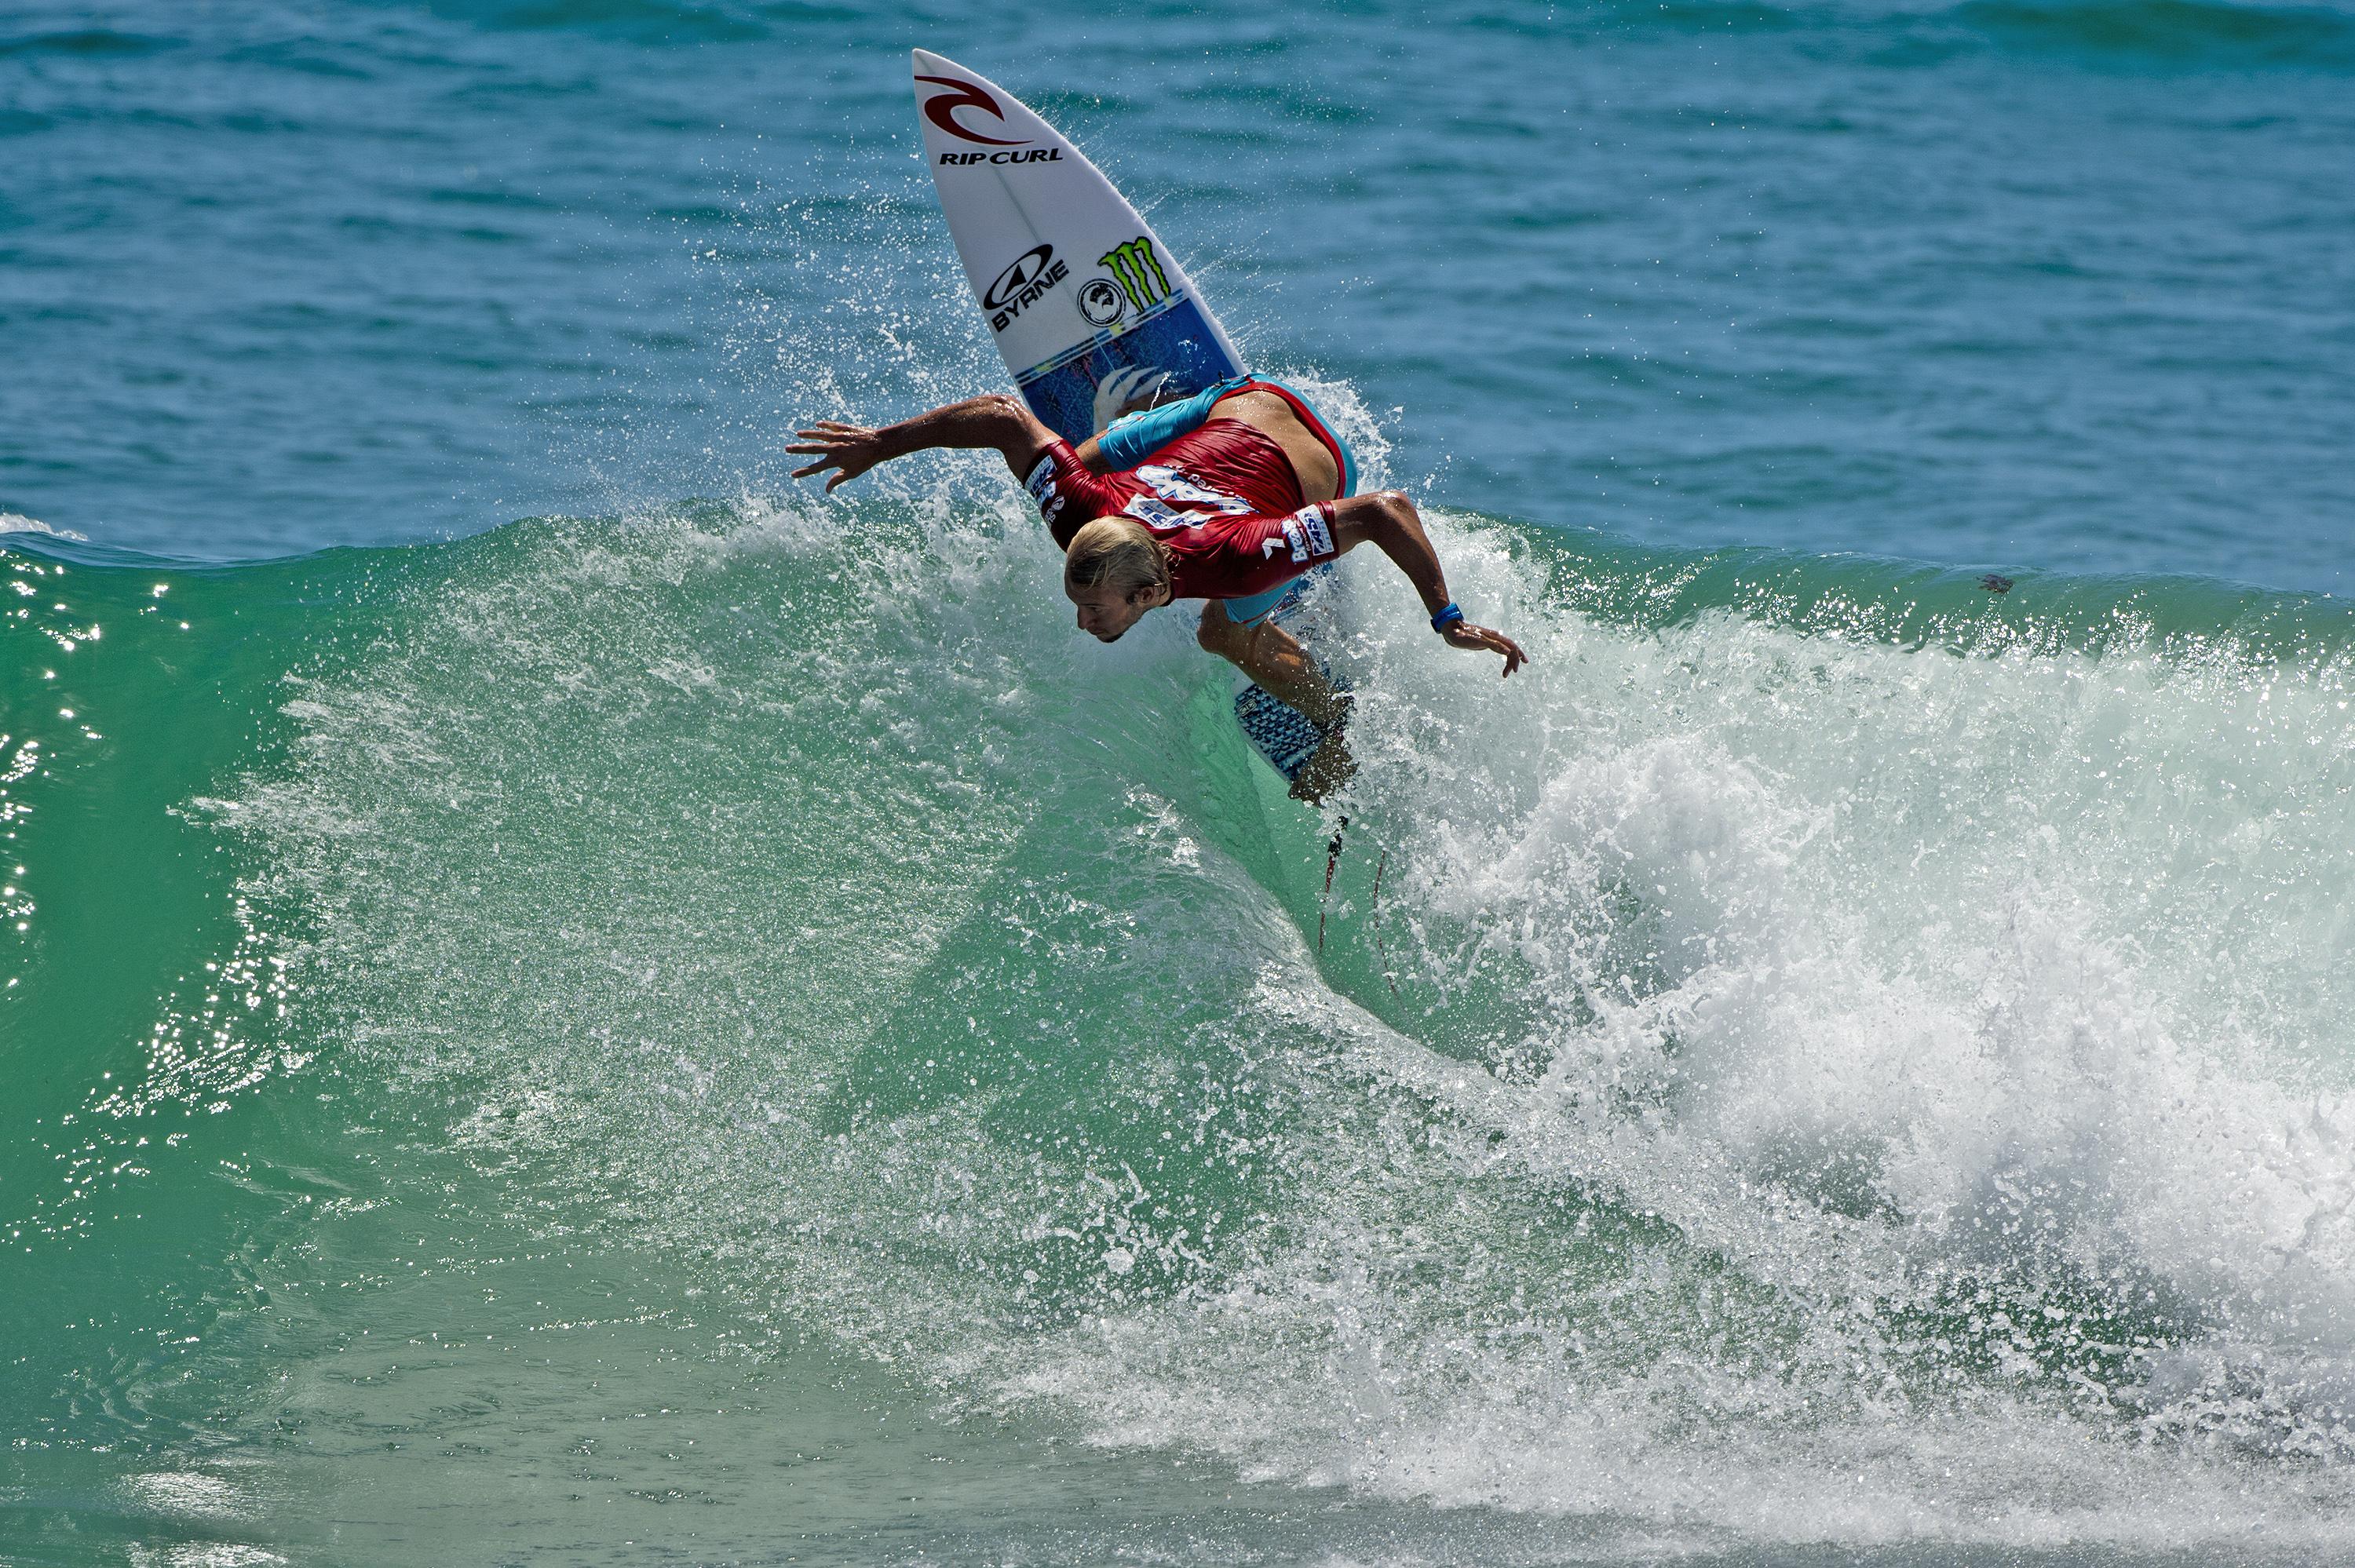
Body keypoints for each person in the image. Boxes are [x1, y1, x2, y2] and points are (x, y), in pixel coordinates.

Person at [788, 377, 1526, 797]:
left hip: (1311, 457)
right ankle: (1143, 413)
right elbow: (1005, 417)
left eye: (1094, 610)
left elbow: (1382, 511)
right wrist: (880, 444)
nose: (1082, 623)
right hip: (1235, 402)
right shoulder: (1081, 516)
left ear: (1147, 594)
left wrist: (1446, 618)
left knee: (1218, 633)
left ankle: (1337, 720)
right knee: (1079, 459)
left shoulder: (1237, 558)